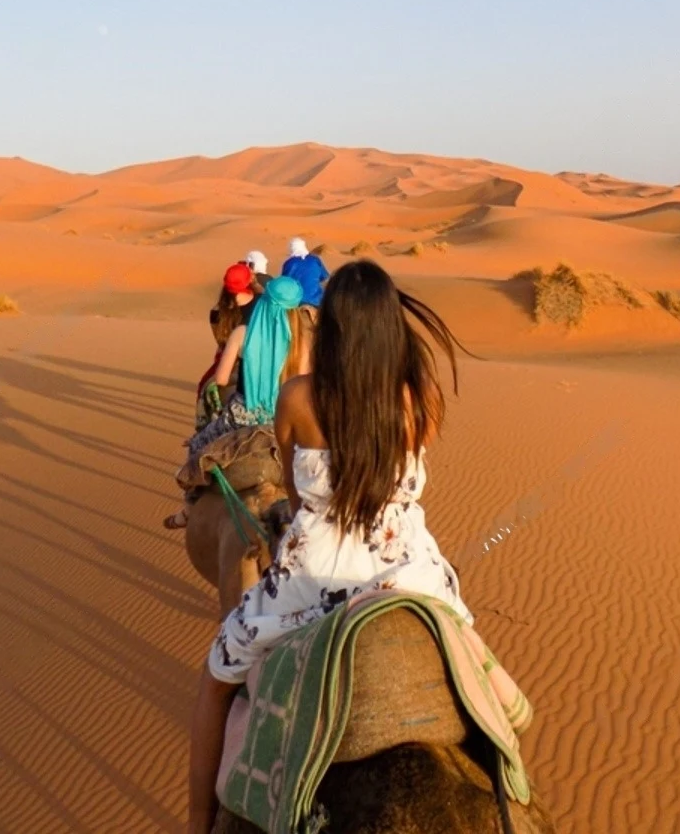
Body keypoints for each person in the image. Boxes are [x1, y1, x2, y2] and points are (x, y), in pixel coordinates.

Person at [186, 260, 471, 833]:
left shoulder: (297, 398)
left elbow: (295, 494)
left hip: (311, 575)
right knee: (477, 675)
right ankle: (508, 777)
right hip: (408, 568)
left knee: (217, 682)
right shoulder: (423, 400)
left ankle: (197, 823)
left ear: (332, 329)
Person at [166, 274, 311, 530]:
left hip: (240, 416)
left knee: (197, 451)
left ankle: (189, 509)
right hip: (285, 419)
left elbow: (221, 379)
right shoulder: (301, 344)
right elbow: (301, 383)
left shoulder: (242, 333)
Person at [197, 263, 261, 429]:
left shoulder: (216, 312)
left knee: (204, 388)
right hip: (258, 361)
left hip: (228, 360)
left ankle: (203, 430)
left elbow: (221, 342)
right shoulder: (262, 305)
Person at [279, 236, 330, 309]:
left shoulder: (289, 263)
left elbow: (284, 283)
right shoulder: (315, 260)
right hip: (316, 301)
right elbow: (325, 278)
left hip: (295, 302)